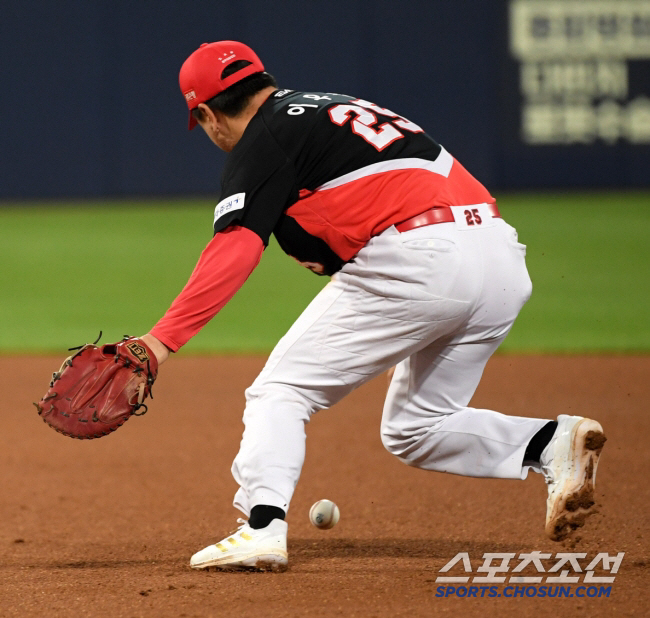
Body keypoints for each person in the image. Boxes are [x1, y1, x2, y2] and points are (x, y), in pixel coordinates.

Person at [139, 41, 606, 571]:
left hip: (424, 258)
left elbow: (237, 247)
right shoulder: (327, 107)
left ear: (204, 113)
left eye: (200, 122)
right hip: (499, 253)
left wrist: (159, 342)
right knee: (416, 427)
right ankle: (552, 442)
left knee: (282, 390)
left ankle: (261, 526)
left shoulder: (263, 136)